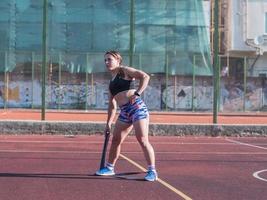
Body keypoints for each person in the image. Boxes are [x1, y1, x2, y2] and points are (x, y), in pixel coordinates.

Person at [95, 50, 158, 181]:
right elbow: (112, 105)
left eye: (109, 59)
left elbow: (145, 76)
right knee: (116, 140)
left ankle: (152, 171)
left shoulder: (124, 71)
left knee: (142, 139)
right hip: (124, 112)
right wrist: (109, 123)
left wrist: (138, 93)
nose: (107, 62)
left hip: (137, 108)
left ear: (118, 60)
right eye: (105, 60)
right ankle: (109, 168)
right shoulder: (111, 82)